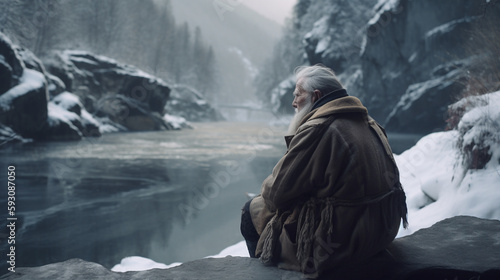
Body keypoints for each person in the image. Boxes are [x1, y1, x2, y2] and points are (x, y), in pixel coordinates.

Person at [240, 64, 408, 278]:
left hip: (344, 242)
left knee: (251, 211)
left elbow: (276, 194)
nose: (293, 103)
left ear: (316, 96)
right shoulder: (369, 122)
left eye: (297, 95)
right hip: (381, 231)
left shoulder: (318, 128)